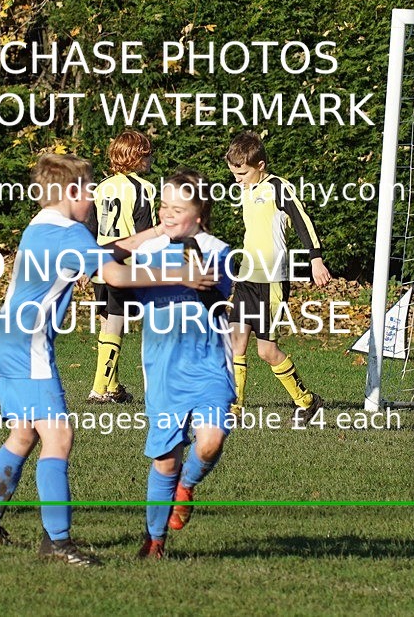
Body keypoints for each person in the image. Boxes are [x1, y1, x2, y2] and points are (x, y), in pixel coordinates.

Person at [0, 153, 213, 566]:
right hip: (29, 348)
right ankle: (57, 544)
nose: (94, 197)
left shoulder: (42, 225)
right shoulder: (70, 235)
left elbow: (107, 252)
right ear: (73, 193)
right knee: (59, 437)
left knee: (24, 435)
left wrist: (156, 231)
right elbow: (113, 274)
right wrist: (179, 276)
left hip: (4, 341)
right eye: (91, 189)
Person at [130, 170, 235, 559]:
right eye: (163, 206)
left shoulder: (218, 251)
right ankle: (155, 541)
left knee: (210, 442)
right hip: (162, 368)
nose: (168, 214)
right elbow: (105, 263)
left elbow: (211, 286)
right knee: (165, 459)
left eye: (178, 208)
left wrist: (189, 271)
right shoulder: (149, 249)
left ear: (200, 212)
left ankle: (186, 486)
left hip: (208, 363)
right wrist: (150, 237)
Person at [224, 131, 331, 425]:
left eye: (242, 173)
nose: (238, 179)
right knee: (236, 343)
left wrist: (316, 258)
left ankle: (308, 402)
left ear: (259, 165)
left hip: (270, 280)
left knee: (267, 351)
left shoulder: (277, 187)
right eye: (234, 173)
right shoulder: (248, 189)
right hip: (247, 275)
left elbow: (302, 220)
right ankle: (234, 409)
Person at [86, 130, 156, 404]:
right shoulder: (143, 188)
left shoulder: (102, 187)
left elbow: (90, 227)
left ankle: (112, 387)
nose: (150, 158)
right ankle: (99, 388)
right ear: (135, 157)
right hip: (123, 262)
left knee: (107, 322)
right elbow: (145, 232)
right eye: (146, 153)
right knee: (116, 323)